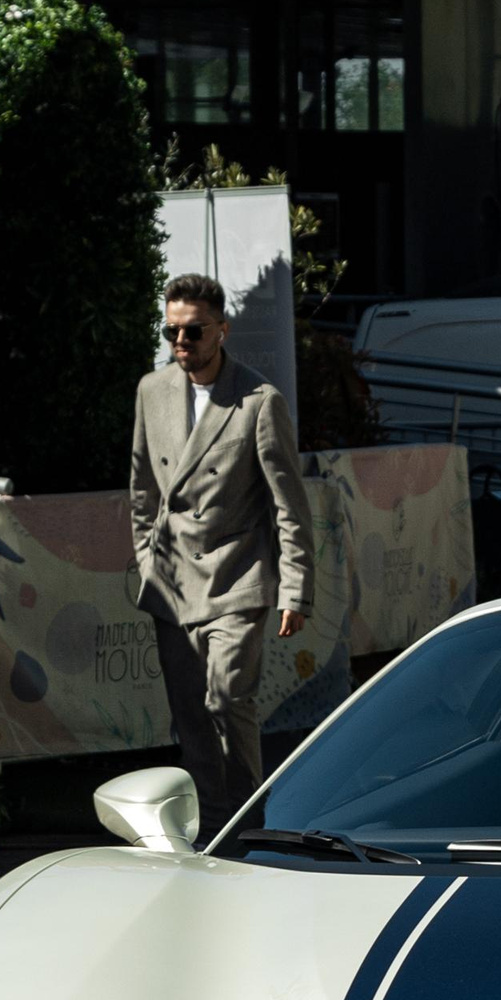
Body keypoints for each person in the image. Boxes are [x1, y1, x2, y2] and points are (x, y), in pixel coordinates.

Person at [129, 273, 311, 836]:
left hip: (237, 578)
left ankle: (247, 821)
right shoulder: (151, 391)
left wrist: (296, 588)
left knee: (228, 695)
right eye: (171, 331)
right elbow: (142, 487)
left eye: (193, 331)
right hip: (171, 583)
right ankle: (212, 827)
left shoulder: (258, 401)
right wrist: (145, 560)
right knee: (191, 715)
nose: (181, 342)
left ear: (221, 330)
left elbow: (289, 504)